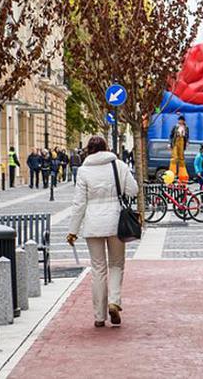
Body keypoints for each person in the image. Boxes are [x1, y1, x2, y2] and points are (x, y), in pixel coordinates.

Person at [66, 136, 138, 328]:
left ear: (88, 150)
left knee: (98, 268)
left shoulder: (83, 171)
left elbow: (79, 203)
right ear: (106, 148)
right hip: (115, 221)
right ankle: (114, 301)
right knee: (116, 264)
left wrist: (73, 230)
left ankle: (99, 316)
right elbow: (133, 190)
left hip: (93, 223)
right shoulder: (119, 165)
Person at [169, 116, 189, 180]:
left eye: (181, 120)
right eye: (179, 120)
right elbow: (171, 135)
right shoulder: (175, 127)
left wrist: (187, 142)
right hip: (176, 141)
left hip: (182, 140)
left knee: (181, 158)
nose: (180, 121)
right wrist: (170, 143)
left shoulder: (186, 127)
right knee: (174, 157)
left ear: (183, 121)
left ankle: (182, 174)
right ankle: (172, 173)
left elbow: (187, 136)